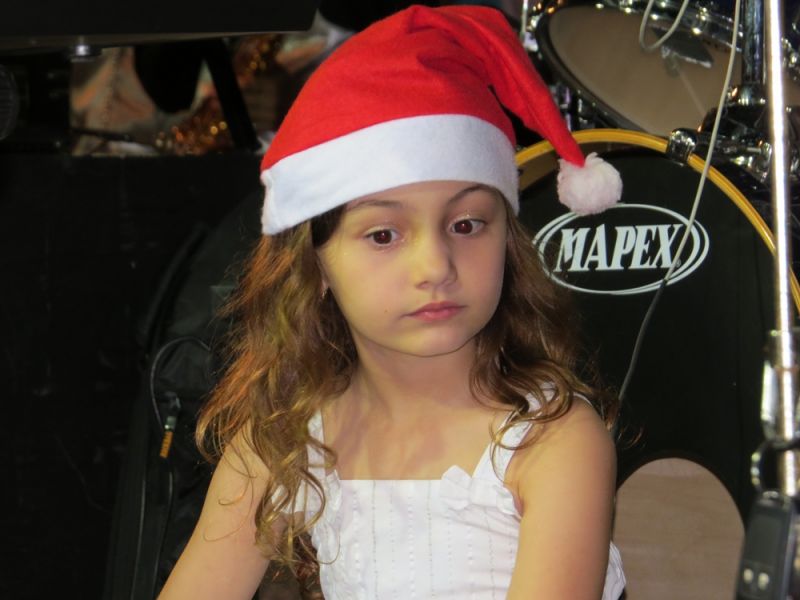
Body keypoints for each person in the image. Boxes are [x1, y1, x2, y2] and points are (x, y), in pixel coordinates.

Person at [158, 4, 625, 599]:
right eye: (384, 235)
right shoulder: (281, 443)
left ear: (508, 242)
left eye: (467, 224)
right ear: (315, 266)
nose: (435, 267)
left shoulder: (550, 441)